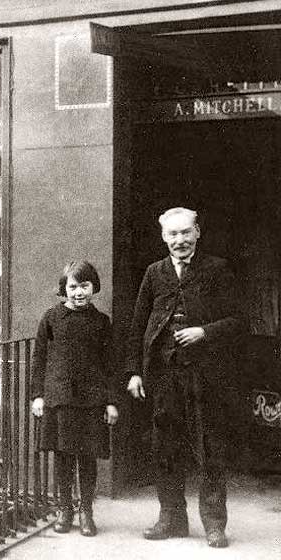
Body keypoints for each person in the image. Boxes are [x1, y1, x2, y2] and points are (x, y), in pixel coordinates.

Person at [125, 207, 244, 549]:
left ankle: (214, 524)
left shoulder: (217, 269)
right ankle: (171, 519)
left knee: (209, 448)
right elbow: (137, 326)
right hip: (163, 376)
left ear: (197, 233)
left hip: (205, 377)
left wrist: (204, 332)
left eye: (185, 232)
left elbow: (239, 320)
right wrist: (133, 371)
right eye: (172, 234)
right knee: (165, 448)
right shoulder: (154, 273)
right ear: (163, 237)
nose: (179, 240)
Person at [31, 260, 119, 537]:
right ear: (63, 288)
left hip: (92, 400)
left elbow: (110, 365)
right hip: (60, 399)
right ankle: (65, 509)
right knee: (63, 457)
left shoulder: (101, 322)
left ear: (94, 287)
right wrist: (38, 396)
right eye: (73, 286)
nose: (79, 292)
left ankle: (86, 513)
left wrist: (111, 401)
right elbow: (39, 360)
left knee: (87, 458)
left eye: (85, 285)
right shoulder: (51, 319)